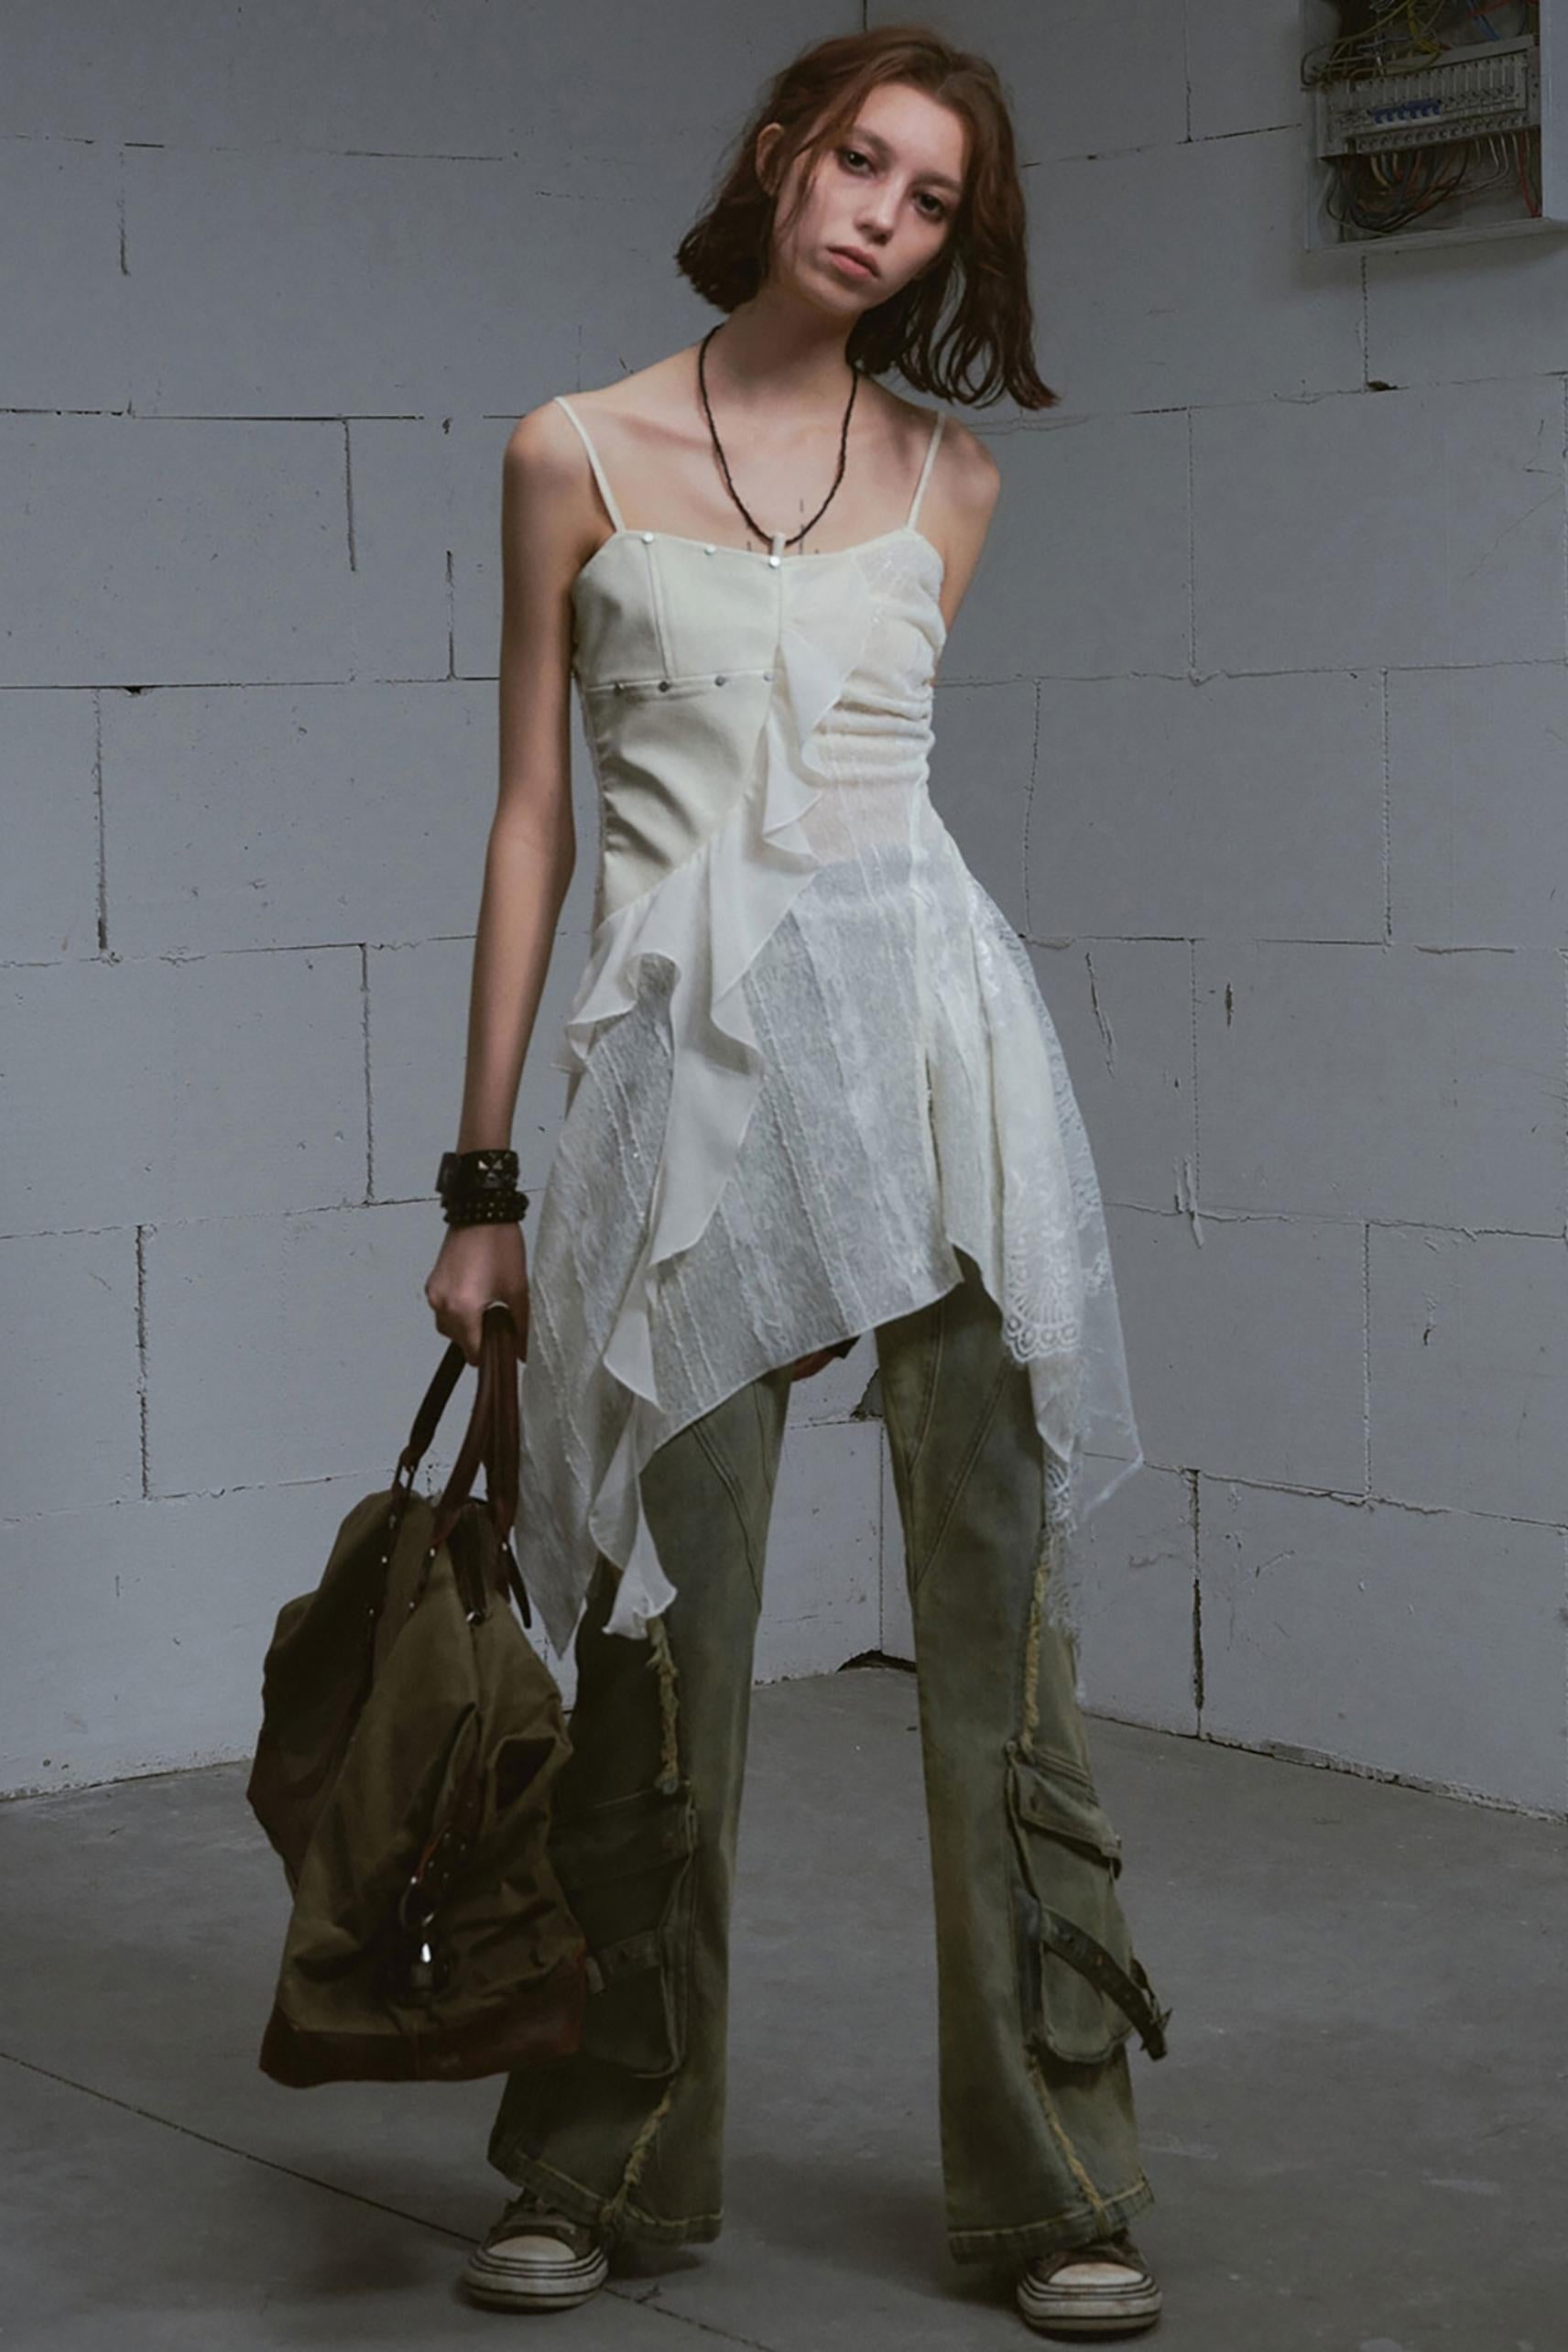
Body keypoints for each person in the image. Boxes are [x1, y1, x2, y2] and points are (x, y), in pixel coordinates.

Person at [425, 24, 1172, 2341]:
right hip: (677, 1110)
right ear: (779, 156)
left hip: (939, 1073)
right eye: (862, 161)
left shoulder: (951, 479)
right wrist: (480, 1179)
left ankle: (1056, 2185)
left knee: (1002, 1649)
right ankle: (604, 2165)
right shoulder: (572, 450)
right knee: (656, 1643)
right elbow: (534, 821)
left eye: (933, 200)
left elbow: (872, 836)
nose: (882, 218)